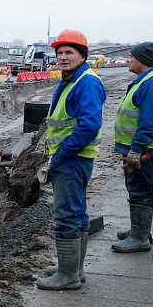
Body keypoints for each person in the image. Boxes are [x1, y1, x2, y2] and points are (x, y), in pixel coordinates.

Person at [38, 29, 106, 290]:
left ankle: (68, 276)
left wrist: (62, 154)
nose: (63, 57)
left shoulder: (86, 82)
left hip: (72, 158)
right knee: (77, 212)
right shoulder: (74, 79)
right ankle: (73, 268)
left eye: (70, 52)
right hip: (73, 157)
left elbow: (88, 126)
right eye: (60, 53)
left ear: (81, 56)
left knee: (66, 213)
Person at [112, 42, 153, 253]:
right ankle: (140, 230)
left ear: (142, 60)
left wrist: (136, 149)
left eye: (130, 57)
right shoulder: (147, 80)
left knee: (141, 190)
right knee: (136, 187)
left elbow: (150, 122)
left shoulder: (152, 84)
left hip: (144, 150)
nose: (128, 60)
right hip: (141, 148)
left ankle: (140, 237)